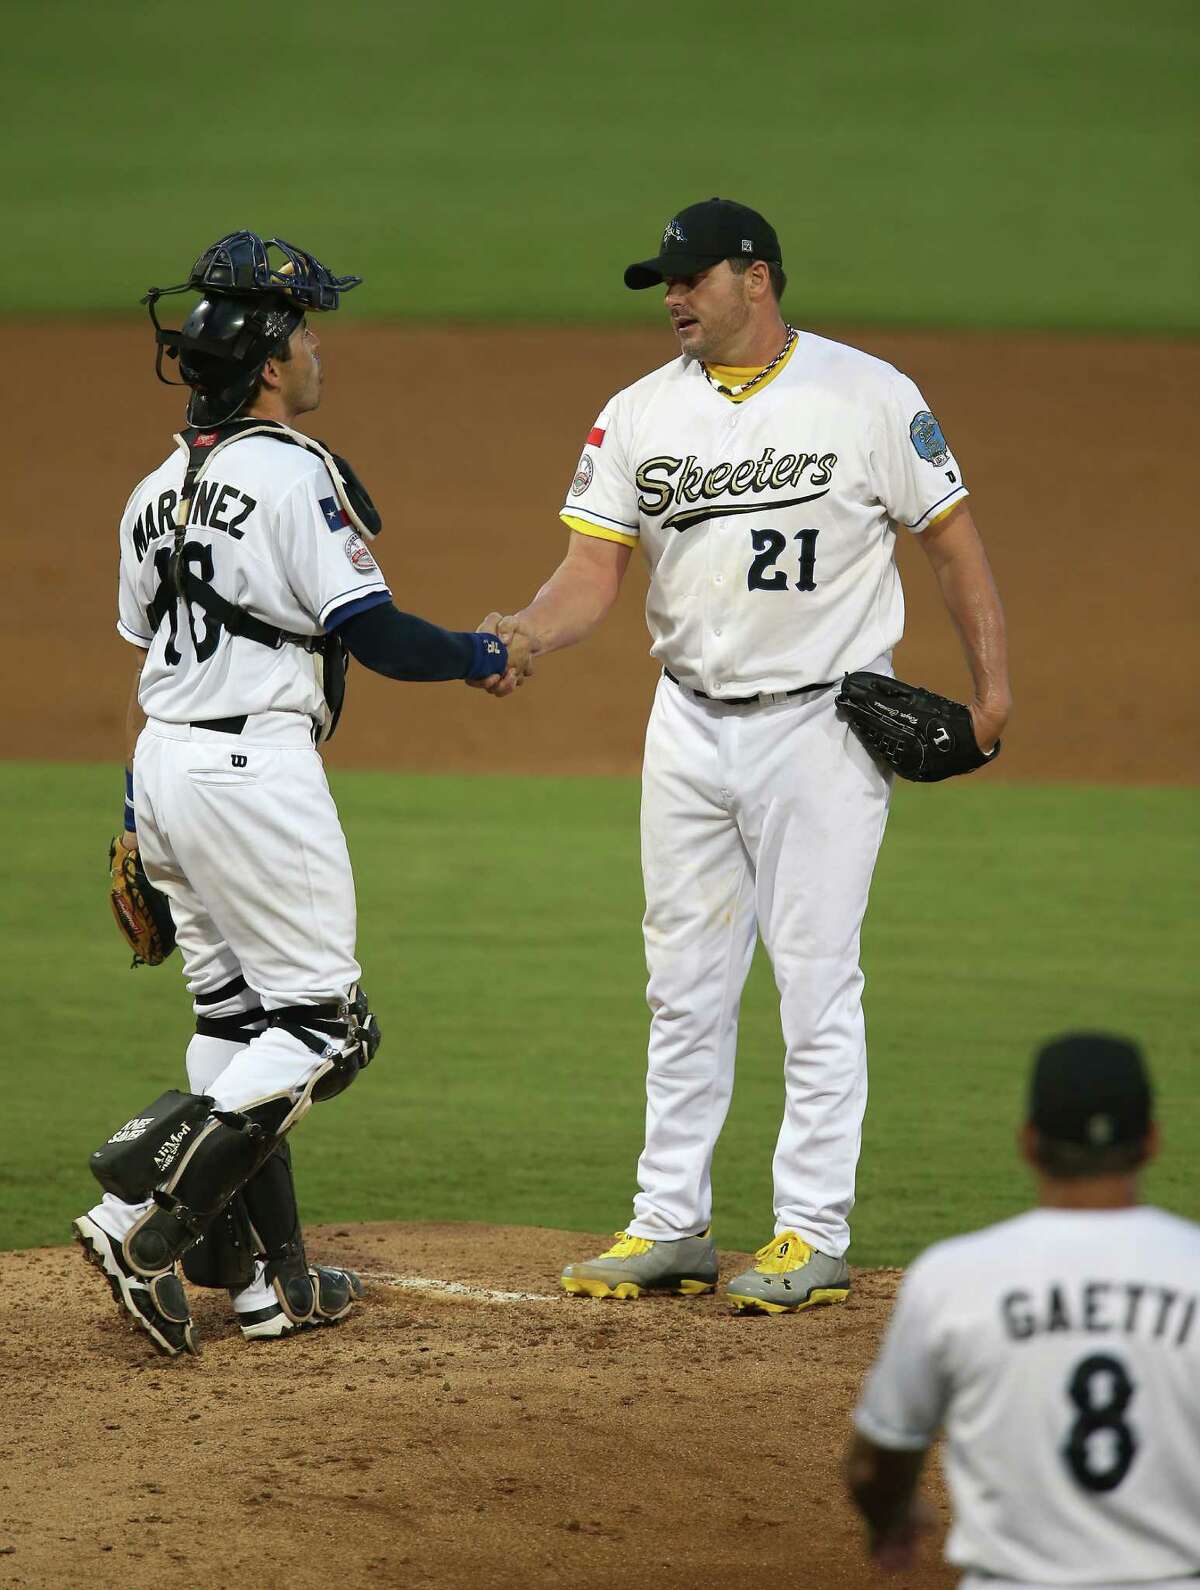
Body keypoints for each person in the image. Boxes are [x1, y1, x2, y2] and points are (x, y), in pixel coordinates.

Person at [476, 197, 1010, 1310]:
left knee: (815, 982)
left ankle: (811, 1231)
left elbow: (953, 543)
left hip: (821, 728)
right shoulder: (635, 415)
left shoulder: (867, 394)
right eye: (664, 284)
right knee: (683, 985)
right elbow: (593, 572)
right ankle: (669, 1221)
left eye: (690, 279)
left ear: (754, 277)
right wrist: (529, 627)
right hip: (686, 725)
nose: (673, 299)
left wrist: (992, 689)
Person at [74, 231, 530, 1357]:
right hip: (250, 775)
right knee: (329, 1029)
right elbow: (367, 633)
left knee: (235, 1025)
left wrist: (143, 810)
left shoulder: (150, 490)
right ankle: (137, 1216)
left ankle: (274, 1289)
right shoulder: (290, 472)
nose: (321, 348)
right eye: (309, 331)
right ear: (272, 359)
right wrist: (481, 656)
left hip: (165, 768)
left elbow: (155, 649)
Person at [847, 1033, 1200, 1587]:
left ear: (1029, 1142)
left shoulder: (953, 1276)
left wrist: (889, 1518)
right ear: (1152, 1141)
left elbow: (874, 1464)